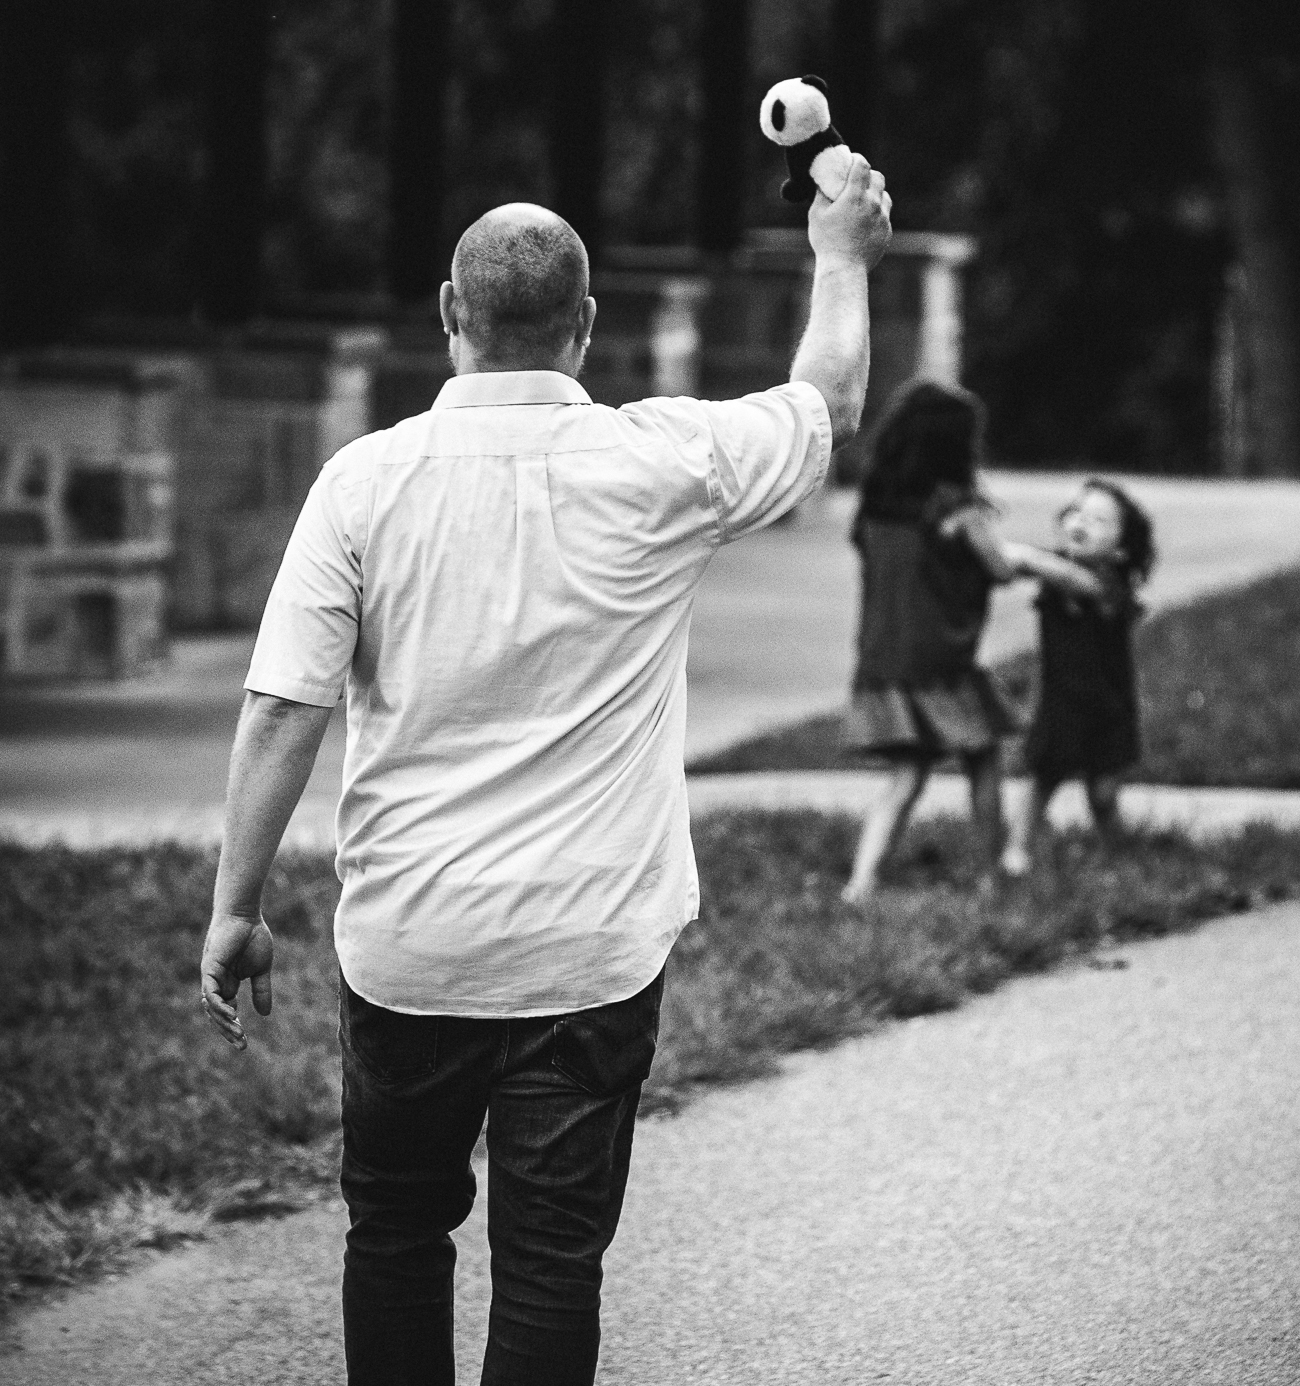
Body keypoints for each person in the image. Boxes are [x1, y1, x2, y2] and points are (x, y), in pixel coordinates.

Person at [199, 160, 892, 1386]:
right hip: (587, 955)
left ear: (448, 316)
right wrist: (838, 253)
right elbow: (823, 401)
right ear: (585, 327)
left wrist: (235, 911)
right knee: (552, 1265)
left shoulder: (362, 483)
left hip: (413, 948)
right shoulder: (668, 463)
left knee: (399, 1235)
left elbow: (281, 709)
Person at [840, 380, 1019, 906]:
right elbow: (1002, 569)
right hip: (940, 663)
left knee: (907, 775)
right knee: (984, 757)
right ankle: (990, 877)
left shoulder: (874, 507)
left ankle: (862, 883)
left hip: (882, 660)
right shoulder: (957, 509)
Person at [994, 477, 1156, 875]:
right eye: (1075, 512)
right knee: (1043, 779)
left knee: (1102, 793)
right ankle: (1016, 852)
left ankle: (1119, 851)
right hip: (1061, 701)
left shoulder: (1110, 585)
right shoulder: (1056, 569)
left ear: (1120, 549)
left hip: (1109, 706)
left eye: (1099, 519)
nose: (1080, 522)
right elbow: (1017, 569)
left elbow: (1074, 581)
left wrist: (1022, 556)